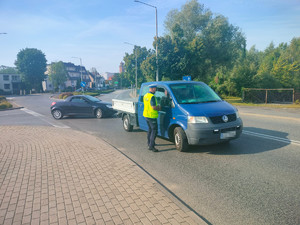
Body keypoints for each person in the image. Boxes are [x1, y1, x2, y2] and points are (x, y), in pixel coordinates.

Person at [143, 84, 161, 152]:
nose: (156, 90)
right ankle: (151, 146)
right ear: (152, 89)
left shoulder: (146, 95)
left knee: (150, 130)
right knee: (154, 131)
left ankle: (149, 143)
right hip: (152, 116)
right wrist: (159, 108)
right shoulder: (152, 96)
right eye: (155, 88)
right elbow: (153, 107)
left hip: (146, 115)